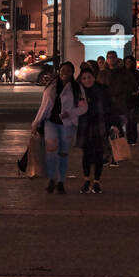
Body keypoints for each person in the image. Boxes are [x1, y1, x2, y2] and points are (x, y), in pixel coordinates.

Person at [31, 60, 86, 194]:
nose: (64, 73)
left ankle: (61, 181)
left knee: (63, 154)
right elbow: (43, 106)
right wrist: (36, 122)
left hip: (68, 125)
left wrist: (70, 113)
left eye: (68, 70)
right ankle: (52, 179)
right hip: (51, 123)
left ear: (72, 73)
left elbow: (84, 108)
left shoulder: (77, 88)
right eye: (62, 70)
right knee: (51, 153)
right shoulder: (51, 86)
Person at [76, 62, 116, 193]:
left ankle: (97, 182)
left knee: (99, 155)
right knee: (86, 155)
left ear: (94, 77)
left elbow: (110, 108)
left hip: (100, 126)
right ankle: (87, 180)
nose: (87, 80)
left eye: (89, 77)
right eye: (84, 78)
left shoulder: (102, 90)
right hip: (84, 127)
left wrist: (114, 124)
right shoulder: (78, 92)